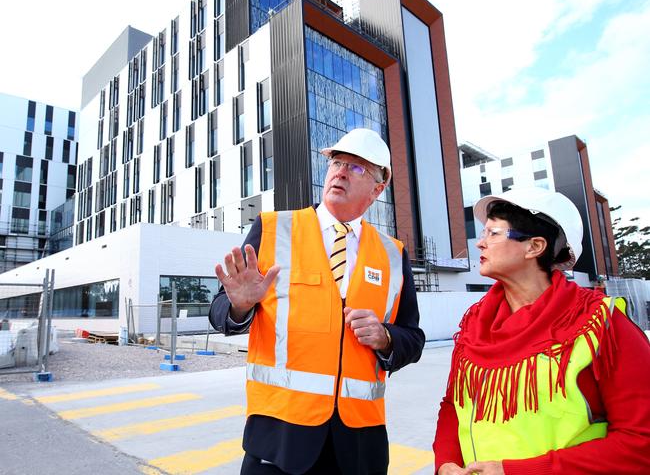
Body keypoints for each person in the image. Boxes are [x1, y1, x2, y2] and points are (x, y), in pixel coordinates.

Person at [209, 128, 425, 475]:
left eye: (356, 168)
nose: (340, 171)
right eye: (337, 163)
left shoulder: (392, 254)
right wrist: (240, 306)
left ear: (378, 188)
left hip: (359, 447)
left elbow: (412, 339)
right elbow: (220, 312)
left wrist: (386, 337)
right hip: (279, 439)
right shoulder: (273, 228)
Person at [432, 187, 650, 474]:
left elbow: (640, 442)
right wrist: (446, 462)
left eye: (494, 233)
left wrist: (517, 471)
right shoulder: (473, 325)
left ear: (534, 247)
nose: (480, 244)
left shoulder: (602, 325)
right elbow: (452, 405)